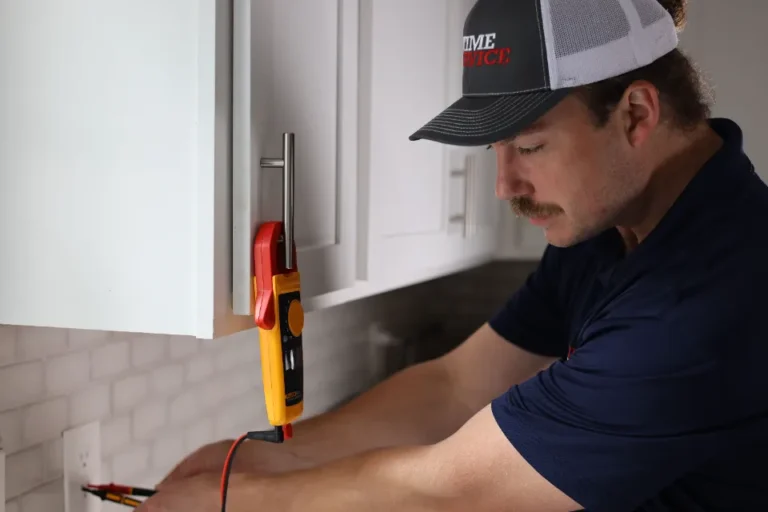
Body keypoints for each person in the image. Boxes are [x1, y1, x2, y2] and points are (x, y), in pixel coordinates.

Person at [138, 0, 768, 510]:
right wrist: (266, 456)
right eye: (495, 150)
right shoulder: (613, 230)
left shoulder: (708, 298)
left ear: (635, 113)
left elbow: (451, 491)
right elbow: (456, 385)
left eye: (528, 145)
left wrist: (233, 500)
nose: (505, 187)